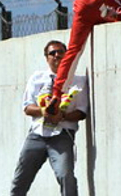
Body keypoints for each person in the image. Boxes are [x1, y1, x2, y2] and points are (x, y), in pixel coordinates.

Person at [11, 40, 89, 196]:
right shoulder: (37, 78)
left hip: (62, 135)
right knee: (21, 178)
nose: (57, 55)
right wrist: (43, 111)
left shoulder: (78, 81)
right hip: (37, 135)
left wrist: (62, 116)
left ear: (67, 56)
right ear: (46, 58)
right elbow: (27, 107)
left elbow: (82, 112)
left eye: (60, 52)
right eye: (52, 53)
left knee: (66, 176)